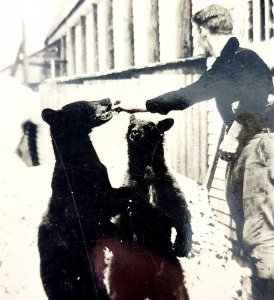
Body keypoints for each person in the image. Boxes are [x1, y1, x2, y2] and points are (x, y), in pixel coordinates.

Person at [114, 4, 274, 300]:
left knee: (259, 231)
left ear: (202, 32)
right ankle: (256, 292)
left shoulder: (245, 58)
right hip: (244, 151)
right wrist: (141, 105)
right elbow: (188, 95)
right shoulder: (223, 65)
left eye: (197, 34)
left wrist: (235, 133)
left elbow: (261, 95)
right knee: (243, 224)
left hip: (259, 148)